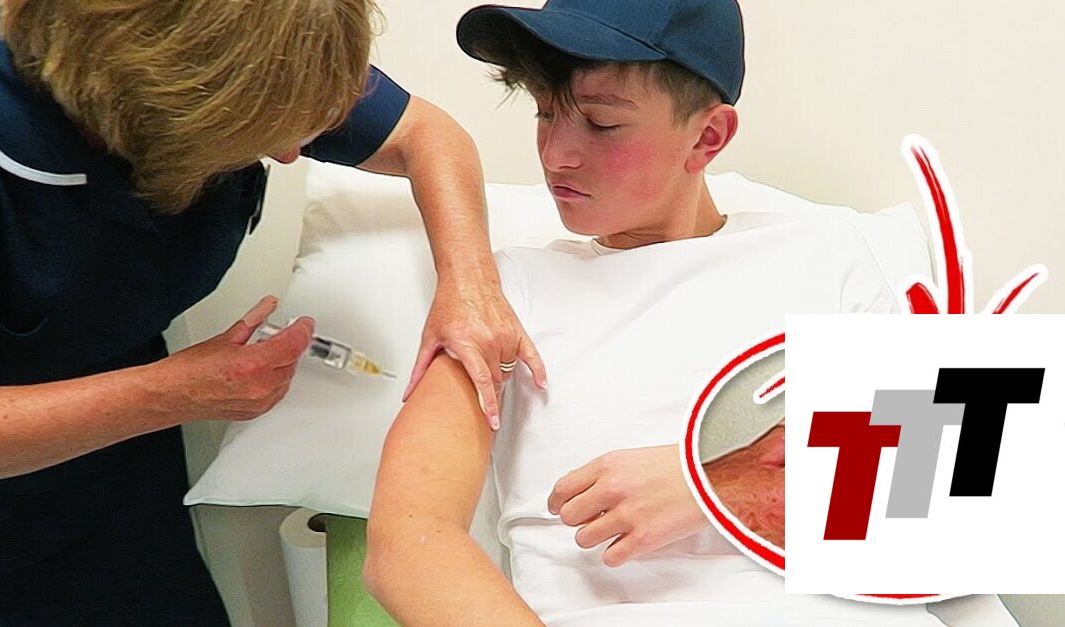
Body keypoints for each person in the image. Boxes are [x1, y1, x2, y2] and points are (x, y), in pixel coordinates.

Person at [0, 0, 543, 623]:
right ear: (157, 105)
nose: (290, 156)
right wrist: (170, 393)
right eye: (262, 138)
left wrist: (470, 284)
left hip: (119, 463)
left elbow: (425, 134)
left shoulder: (259, 38)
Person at [364, 1, 949, 625]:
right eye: (545, 112)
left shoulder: (829, 252)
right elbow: (409, 544)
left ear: (707, 137)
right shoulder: (502, 292)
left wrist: (713, 485)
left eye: (601, 124)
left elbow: (954, 487)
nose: (556, 155)